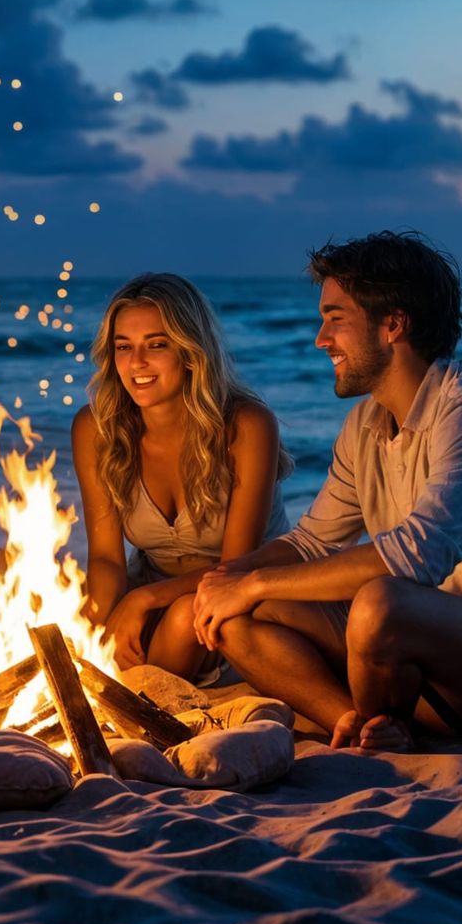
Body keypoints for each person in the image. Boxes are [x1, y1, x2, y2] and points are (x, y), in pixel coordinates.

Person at [191, 231, 462, 752]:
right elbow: (310, 544)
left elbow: (420, 555)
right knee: (240, 618)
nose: (321, 339)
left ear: (393, 323)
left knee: (381, 602)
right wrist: (228, 582)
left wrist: (256, 582)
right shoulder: (366, 423)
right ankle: (357, 724)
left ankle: (378, 719)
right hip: (430, 663)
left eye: (336, 318)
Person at [73, 273, 290, 680]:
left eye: (156, 345)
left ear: (191, 351)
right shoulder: (96, 428)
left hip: (235, 597)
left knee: (180, 618)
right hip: (150, 593)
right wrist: (97, 636)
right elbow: (105, 560)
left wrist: (142, 600)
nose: (136, 363)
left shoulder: (246, 424)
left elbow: (235, 566)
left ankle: (140, 711)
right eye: (124, 347)